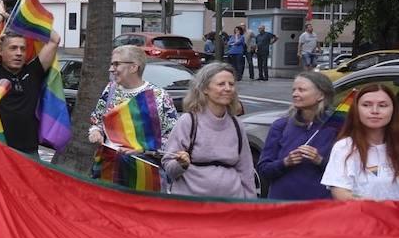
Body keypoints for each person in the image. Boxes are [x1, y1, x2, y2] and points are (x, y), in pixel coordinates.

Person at [0, 5, 61, 155]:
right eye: (13, 48)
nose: (19, 53)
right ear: (0, 50)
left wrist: (28, 17)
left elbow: (54, 40)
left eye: (22, 49)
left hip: (30, 152)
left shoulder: (33, 71)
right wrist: (1, 15)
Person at [160, 63, 256, 198]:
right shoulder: (188, 122)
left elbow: (246, 170)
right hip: (193, 208)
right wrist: (180, 164)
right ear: (205, 88)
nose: (228, 88)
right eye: (221, 84)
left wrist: (251, 207)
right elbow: (169, 168)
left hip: (230, 208)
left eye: (231, 84)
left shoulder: (237, 125)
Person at [257, 72, 338, 200]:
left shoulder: (336, 127)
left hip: (320, 206)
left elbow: (348, 172)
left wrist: (320, 161)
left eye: (302, 90)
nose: (295, 94)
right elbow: (264, 169)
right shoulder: (281, 125)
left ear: (321, 95)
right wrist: (285, 162)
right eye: (294, 90)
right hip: (283, 205)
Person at [86, 45, 178, 148]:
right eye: (112, 64)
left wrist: (142, 149)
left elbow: (172, 136)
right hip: (109, 161)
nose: (111, 69)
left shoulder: (158, 96)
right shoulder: (110, 89)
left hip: (141, 163)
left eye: (116, 64)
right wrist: (96, 132)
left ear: (133, 67)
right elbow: (97, 120)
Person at [322, 84, 399, 201]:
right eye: (366, 105)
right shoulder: (345, 147)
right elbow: (340, 192)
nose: (375, 111)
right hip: (364, 216)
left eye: (382, 105)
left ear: (393, 110)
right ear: (356, 109)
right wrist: (371, 205)